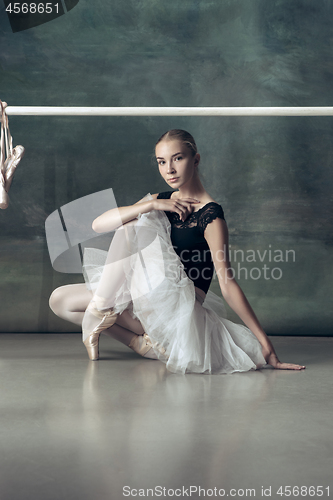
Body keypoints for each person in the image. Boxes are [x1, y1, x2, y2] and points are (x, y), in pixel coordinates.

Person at [49, 129, 305, 374]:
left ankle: (101, 310)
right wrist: (153, 203)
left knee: (132, 226)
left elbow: (228, 285)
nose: (168, 169)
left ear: (196, 160)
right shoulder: (161, 200)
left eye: (177, 159)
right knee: (60, 300)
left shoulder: (211, 216)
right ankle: (138, 342)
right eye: (161, 162)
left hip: (176, 313)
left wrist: (266, 345)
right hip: (145, 301)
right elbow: (98, 225)